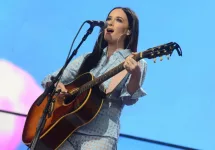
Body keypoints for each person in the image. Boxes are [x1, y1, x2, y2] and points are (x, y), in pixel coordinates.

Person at [41, 6, 147, 150]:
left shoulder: (136, 62)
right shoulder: (88, 58)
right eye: (109, 19)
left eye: (118, 20)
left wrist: (135, 75)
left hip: (101, 135)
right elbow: (50, 78)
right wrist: (57, 85)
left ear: (129, 31)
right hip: (67, 130)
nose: (110, 23)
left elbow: (128, 99)